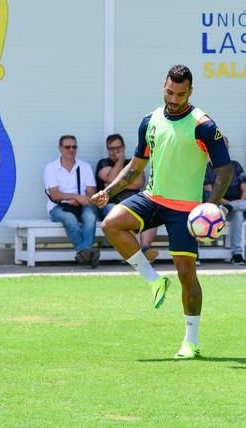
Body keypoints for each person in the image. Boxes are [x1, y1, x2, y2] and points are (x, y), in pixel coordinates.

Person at [91, 64, 232, 359]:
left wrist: (211, 205)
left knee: (187, 275)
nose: (174, 98)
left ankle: (190, 341)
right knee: (111, 224)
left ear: (190, 92)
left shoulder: (203, 125)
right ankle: (153, 279)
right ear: (163, 87)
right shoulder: (150, 121)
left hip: (186, 211)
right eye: (169, 91)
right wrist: (109, 191)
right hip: (153, 198)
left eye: (180, 94)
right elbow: (135, 167)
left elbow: (225, 169)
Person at [204, 136, 246, 264]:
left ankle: (232, 208)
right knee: (237, 214)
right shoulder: (207, 168)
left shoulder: (235, 166)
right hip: (218, 210)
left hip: (238, 206)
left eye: (225, 147)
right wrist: (228, 205)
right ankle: (237, 254)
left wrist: (236, 204)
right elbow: (211, 194)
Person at [96, 134, 159, 262]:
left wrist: (115, 184)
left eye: (118, 148)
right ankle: (135, 256)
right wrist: (120, 161)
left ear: (124, 147)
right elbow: (110, 179)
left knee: (150, 215)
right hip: (111, 205)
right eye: (112, 148)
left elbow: (139, 182)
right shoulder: (103, 163)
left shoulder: (133, 163)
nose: (115, 151)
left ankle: (145, 249)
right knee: (118, 213)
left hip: (133, 204)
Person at [44, 135, 101, 268]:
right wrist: (76, 197)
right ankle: (87, 252)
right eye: (67, 147)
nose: (71, 150)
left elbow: (91, 190)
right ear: (60, 148)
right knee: (70, 219)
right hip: (58, 207)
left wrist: (79, 200)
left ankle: (84, 253)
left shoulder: (84, 166)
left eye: (74, 147)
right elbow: (55, 194)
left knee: (90, 217)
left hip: (82, 204)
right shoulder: (51, 168)